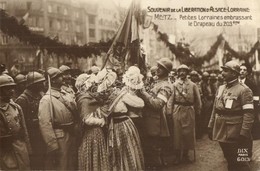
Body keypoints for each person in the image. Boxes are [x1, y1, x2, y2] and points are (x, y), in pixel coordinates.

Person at [208, 61, 254, 171]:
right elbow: (215, 109)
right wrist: (210, 125)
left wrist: (244, 132)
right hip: (221, 131)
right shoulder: (221, 88)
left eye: (225, 70)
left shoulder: (244, 90)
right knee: (230, 160)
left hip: (236, 133)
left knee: (241, 162)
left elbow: (249, 114)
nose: (222, 73)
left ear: (234, 73)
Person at [105, 66, 145, 171]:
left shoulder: (121, 93)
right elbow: (140, 103)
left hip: (120, 124)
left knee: (125, 149)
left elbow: (139, 104)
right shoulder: (120, 93)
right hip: (119, 125)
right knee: (123, 149)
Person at [38, 67, 77, 170]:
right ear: (53, 80)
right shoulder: (46, 99)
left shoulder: (65, 94)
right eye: (60, 76)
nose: (63, 78)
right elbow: (45, 124)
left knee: (71, 164)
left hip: (70, 134)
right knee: (61, 165)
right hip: (59, 137)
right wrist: (52, 145)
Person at [139, 58, 172, 169]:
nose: (157, 69)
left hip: (154, 123)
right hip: (147, 121)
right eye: (157, 66)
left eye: (160, 67)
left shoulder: (166, 86)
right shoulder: (156, 82)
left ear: (166, 71)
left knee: (153, 153)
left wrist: (143, 93)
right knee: (148, 152)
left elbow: (157, 105)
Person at [167, 64, 202, 164]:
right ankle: (178, 156)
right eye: (180, 71)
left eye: (184, 71)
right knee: (177, 133)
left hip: (189, 110)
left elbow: (198, 99)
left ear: (187, 73)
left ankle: (186, 155)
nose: (182, 73)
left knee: (188, 133)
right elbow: (170, 100)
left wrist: (198, 110)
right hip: (177, 110)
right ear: (178, 73)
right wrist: (169, 112)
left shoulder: (192, 85)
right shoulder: (174, 85)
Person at [75, 73, 109, 171]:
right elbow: (87, 119)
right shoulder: (84, 99)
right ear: (85, 85)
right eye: (92, 83)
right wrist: (101, 121)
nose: (94, 85)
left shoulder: (89, 97)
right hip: (91, 133)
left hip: (96, 133)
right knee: (93, 159)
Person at [15, 71, 46, 170]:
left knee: (42, 162)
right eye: (40, 83)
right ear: (33, 85)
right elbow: (21, 123)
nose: (42, 85)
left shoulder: (40, 95)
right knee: (34, 163)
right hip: (31, 138)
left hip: (41, 136)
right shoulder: (22, 100)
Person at [0, 74, 31, 170]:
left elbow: (24, 129)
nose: (12, 91)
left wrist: (28, 148)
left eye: (12, 88)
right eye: (7, 88)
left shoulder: (16, 107)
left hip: (20, 146)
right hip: (5, 149)